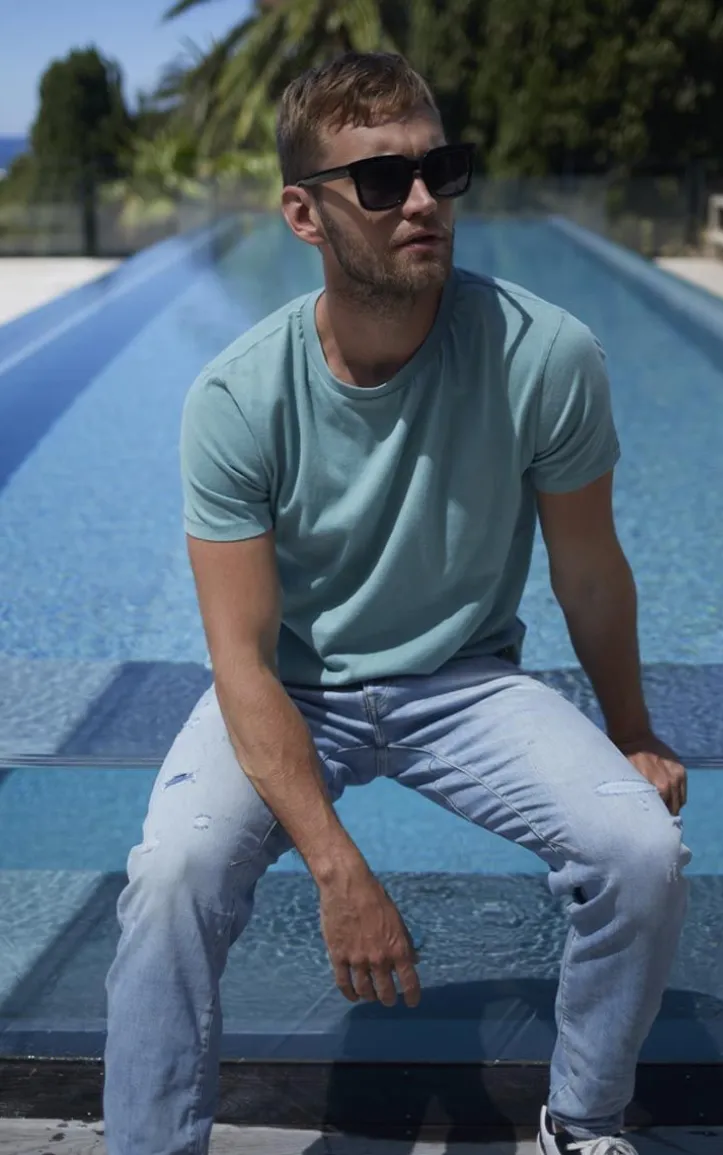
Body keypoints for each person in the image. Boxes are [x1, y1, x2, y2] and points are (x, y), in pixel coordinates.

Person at [104, 50, 690, 1155]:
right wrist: (339, 870)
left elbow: (588, 572)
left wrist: (632, 731)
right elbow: (240, 661)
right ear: (304, 214)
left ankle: (581, 1121)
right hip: (292, 691)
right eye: (381, 180)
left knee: (640, 854)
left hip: (466, 685)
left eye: (439, 169)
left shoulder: (545, 356)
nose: (422, 200)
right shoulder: (237, 398)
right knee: (173, 874)